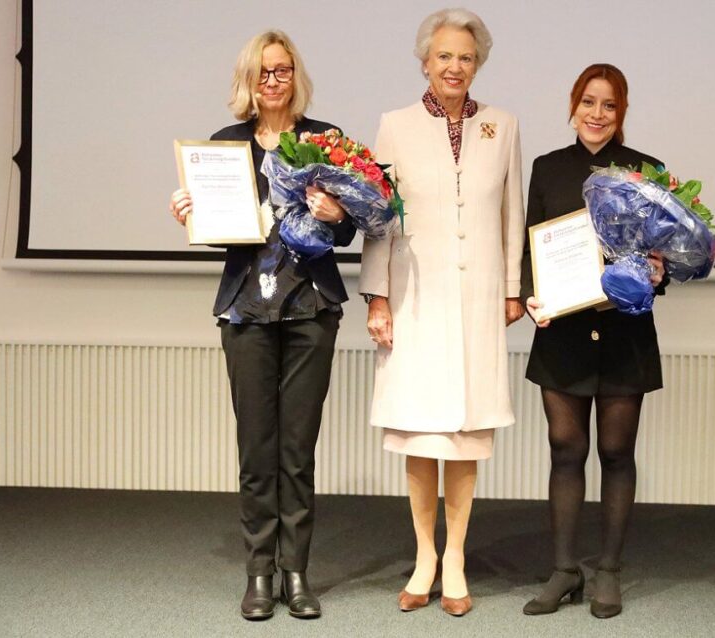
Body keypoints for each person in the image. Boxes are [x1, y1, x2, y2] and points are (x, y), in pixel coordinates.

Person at [168, 30, 355, 621]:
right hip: (247, 311)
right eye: (263, 72)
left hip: (310, 309)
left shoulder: (327, 142)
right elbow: (220, 230)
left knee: (297, 450)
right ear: (248, 81)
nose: (273, 81)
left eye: (283, 70)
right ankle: (258, 573)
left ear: (296, 76)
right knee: (257, 447)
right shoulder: (222, 148)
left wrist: (339, 212)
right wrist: (190, 214)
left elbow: (354, 227)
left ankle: (296, 572)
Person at [358, 8, 525, 618]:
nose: (456, 66)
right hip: (415, 298)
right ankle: (424, 555)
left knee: (463, 433)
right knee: (423, 433)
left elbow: (512, 211)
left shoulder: (501, 125)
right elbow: (378, 219)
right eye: (445, 56)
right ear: (425, 62)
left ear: (478, 64)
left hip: (478, 297)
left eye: (467, 57)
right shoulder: (395, 126)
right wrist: (377, 295)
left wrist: (511, 287)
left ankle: (455, 555)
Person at [519, 63, 668, 619]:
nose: (597, 114)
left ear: (621, 111)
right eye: (588, 102)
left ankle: (607, 571)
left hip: (625, 333)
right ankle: (564, 570)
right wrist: (532, 294)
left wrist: (658, 271)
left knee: (615, 452)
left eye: (609, 105)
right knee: (565, 450)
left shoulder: (645, 172)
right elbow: (529, 247)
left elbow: (664, 258)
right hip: (564, 333)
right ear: (573, 104)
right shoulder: (548, 168)